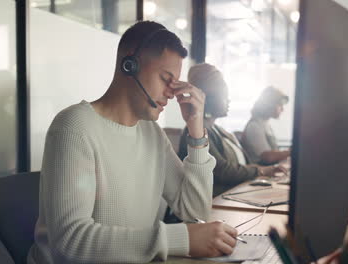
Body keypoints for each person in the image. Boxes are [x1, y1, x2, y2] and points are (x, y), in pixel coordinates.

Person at [27, 21, 240, 264]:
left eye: (176, 82)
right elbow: (70, 242)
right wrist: (181, 239)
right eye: (165, 78)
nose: (172, 93)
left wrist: (196, 133)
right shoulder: (74, 127)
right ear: (129, 65)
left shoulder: (151, 133)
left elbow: (195, 211)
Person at [178, 64, 286, 197]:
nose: (229, 101)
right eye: (224, 96)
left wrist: (263, 172)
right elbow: (222, 171)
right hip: (217, 201)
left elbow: (242, 165)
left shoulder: (219, 130)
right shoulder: (197, 132)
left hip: (236, 194)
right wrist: (262, 171)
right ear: (208, 98)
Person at [240, 86, 290, 165]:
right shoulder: (254, 126)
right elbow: (267, 157)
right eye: (280, 105)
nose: (282, 109)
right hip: (261, 173)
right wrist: (290, 152)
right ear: (269, 104)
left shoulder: (265, 124)